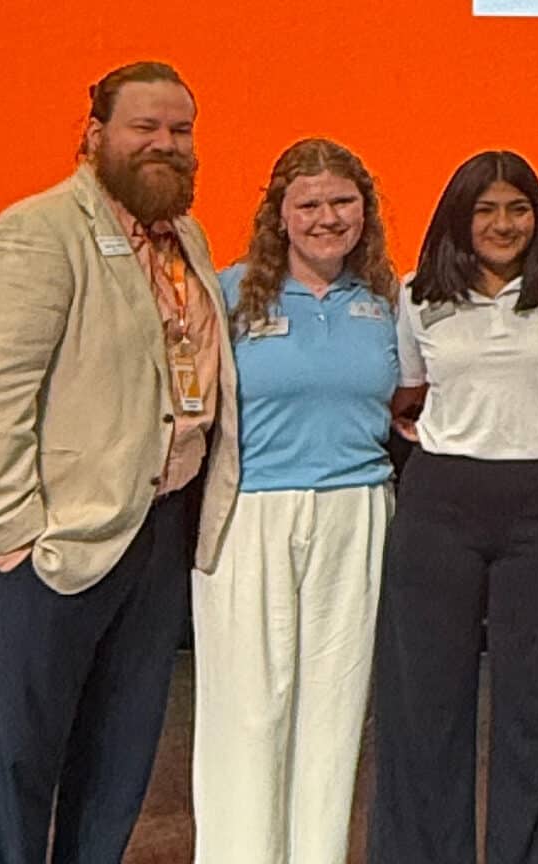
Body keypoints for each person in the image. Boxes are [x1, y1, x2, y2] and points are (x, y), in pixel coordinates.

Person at [0, 60, 240, 864]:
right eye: (145, 127)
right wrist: (14, 536)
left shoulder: (188, 239)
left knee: (118, 759)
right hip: (58, 541)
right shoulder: (35, 233)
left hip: (156, 527)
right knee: (24, 760)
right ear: (96, 133)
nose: (166, 145)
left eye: (180, 131)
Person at [371, 150, 538, 864]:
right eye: (486, 209)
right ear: (459, 218)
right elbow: (407, 395)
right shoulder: (417, 295)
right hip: (442, 503)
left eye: (518, 208)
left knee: (536, 701)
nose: (503, 224)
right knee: (428, 703)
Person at [197, 137, 400, 864]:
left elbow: (409, 398)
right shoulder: (227, 294)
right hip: (252, 513)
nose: (327, 217)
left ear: (364, 211)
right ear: (279, 215)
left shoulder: (387, 300)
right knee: (249, 710)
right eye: (308, 204)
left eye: (342, 201)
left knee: (334, 708)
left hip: (357, 510)